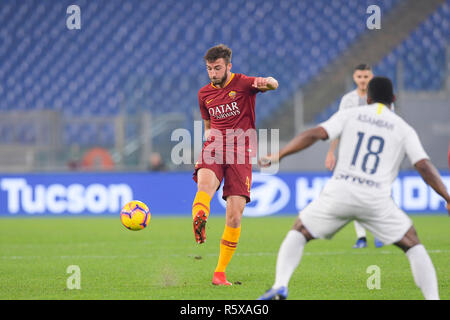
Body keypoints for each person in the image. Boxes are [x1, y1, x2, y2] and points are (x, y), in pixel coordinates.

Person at [258, 77, 449, 300]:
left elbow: (313, 134)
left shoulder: (350, 115)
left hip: (340, 191)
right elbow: (423, 166)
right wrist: (447, 196)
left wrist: (278, 155)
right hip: (376, 199)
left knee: (299, 231)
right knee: (412, 244)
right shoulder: (403, 128)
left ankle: (280, 285)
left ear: (367, 98)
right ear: (393, 99)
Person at [191, 44, 278, 286]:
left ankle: (219, 273)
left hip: (242, 151)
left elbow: (271, 85)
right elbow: (208, 126)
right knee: (205, 187)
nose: (212, 73)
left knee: (235, 216)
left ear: (229, 66)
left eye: (217, 68)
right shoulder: (203, 94)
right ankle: (200, 217)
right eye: (209, 69)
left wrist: (270, 82)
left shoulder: (243, 83)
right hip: (216, 145)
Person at [325, 64, 383, 249]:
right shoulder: (348, 100)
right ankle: (362, 237)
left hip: (374, 154)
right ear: (354, 78)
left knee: (375, 194)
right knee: (353, 195)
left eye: (366, 76)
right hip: (351, 154)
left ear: (371, 77)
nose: (363, 80)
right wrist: (331, 152)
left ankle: (378, 233)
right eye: (359, 77)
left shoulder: (381, 98)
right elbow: (339, 126)